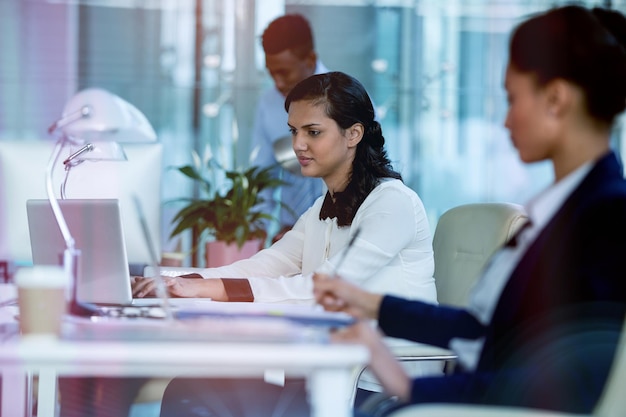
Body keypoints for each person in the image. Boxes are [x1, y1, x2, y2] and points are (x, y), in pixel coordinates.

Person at [314, 5, 626, 416]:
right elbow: (480, 329)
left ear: (556, 99)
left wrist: (408, 388)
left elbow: (557, 382)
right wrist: (368, 305)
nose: (506, 121)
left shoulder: (606, 218)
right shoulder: (565, 211)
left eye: (513, 99)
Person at [144, 71, 438, 416]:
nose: (297, 145)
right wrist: (179, 282)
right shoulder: (322, 207)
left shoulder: (393, 203)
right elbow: (267, 264)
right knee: (188, 388)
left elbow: (324, 289)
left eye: (313, 132)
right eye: (294, 131)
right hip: (327, 372)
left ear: (353, 134)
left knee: (194, 395)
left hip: (378, 388)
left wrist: (213, 289)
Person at [252, 13, 328, 242]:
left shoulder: (349, 99)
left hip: (338, 234)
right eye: (271, 72)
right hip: (288, 233)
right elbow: (262, 175)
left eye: (284, 72)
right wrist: (256, 232)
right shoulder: (269, 103)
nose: (277, 82)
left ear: (310, 59)